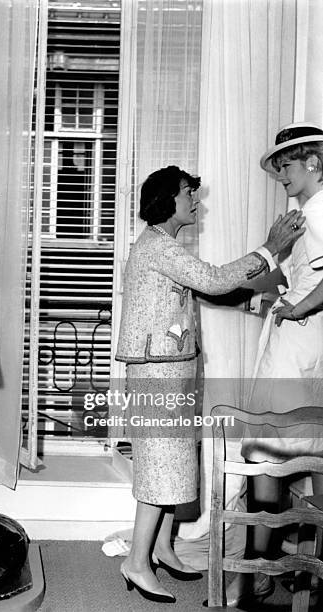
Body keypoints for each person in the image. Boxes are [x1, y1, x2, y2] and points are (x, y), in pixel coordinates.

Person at [115, 165, 304, 604]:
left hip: (170, 372)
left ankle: (161, 548)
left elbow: (211, 292)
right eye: (188, 194)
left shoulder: (164, 247)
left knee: (176, 465)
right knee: (162, 468)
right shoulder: (158, 246)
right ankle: (136, 562)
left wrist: (265, 299)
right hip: (157, 376)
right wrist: (269, 250)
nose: (195, 201)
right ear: (167, 200)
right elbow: (215, 279)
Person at [227, 122, 323, 606]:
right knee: (276, 451)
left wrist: (298, 308)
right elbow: (286, 274)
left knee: (265, 450)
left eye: (286, 164)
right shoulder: (305, 214)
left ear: (313, 162)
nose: (281, 174)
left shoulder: (321, 210)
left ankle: (259, 570)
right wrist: (245, 290)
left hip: (299, 348)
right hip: (293, 346)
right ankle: (271, 567)